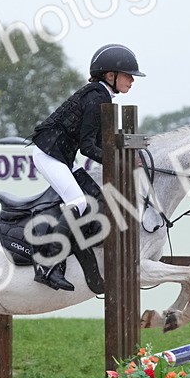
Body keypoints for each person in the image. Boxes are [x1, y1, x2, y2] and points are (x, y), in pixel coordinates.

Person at [27, 43, 144, 290]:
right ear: (110, 75)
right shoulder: (96, 98)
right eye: (128, 75)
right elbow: (88, 147)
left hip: (63, 155)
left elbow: (102, 141)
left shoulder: (103, 96)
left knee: (96, 199)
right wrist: (121, 162)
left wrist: (132, 147)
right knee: (79, 203)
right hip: (49, 154)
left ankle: (78, 254)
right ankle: (46, 264)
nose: (132, 80)